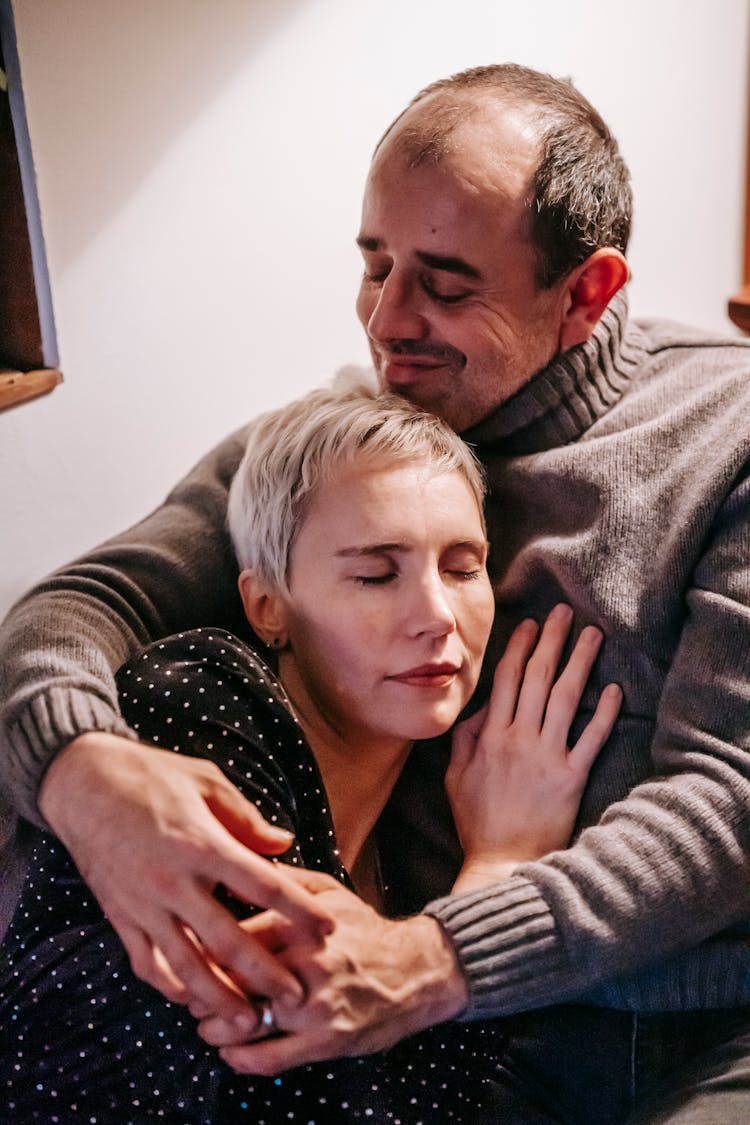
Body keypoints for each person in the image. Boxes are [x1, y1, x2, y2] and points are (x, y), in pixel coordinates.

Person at [1, 59, 750, 1121]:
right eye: (373, 265)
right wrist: (87, 776)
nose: (386, 322)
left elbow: (730, 806)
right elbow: (83, 607)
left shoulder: (729, 433)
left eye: (445, 285)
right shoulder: (359, 438)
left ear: (586, 293)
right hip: (427, 1021)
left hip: (680, 1017)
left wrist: (442, 953)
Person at [0, 376, 619, 1122]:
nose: (436, 617)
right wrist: (498, 869)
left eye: (462, 567)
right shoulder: (197, 704)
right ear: (268, 605)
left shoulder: (402, 845)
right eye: (374, 573)